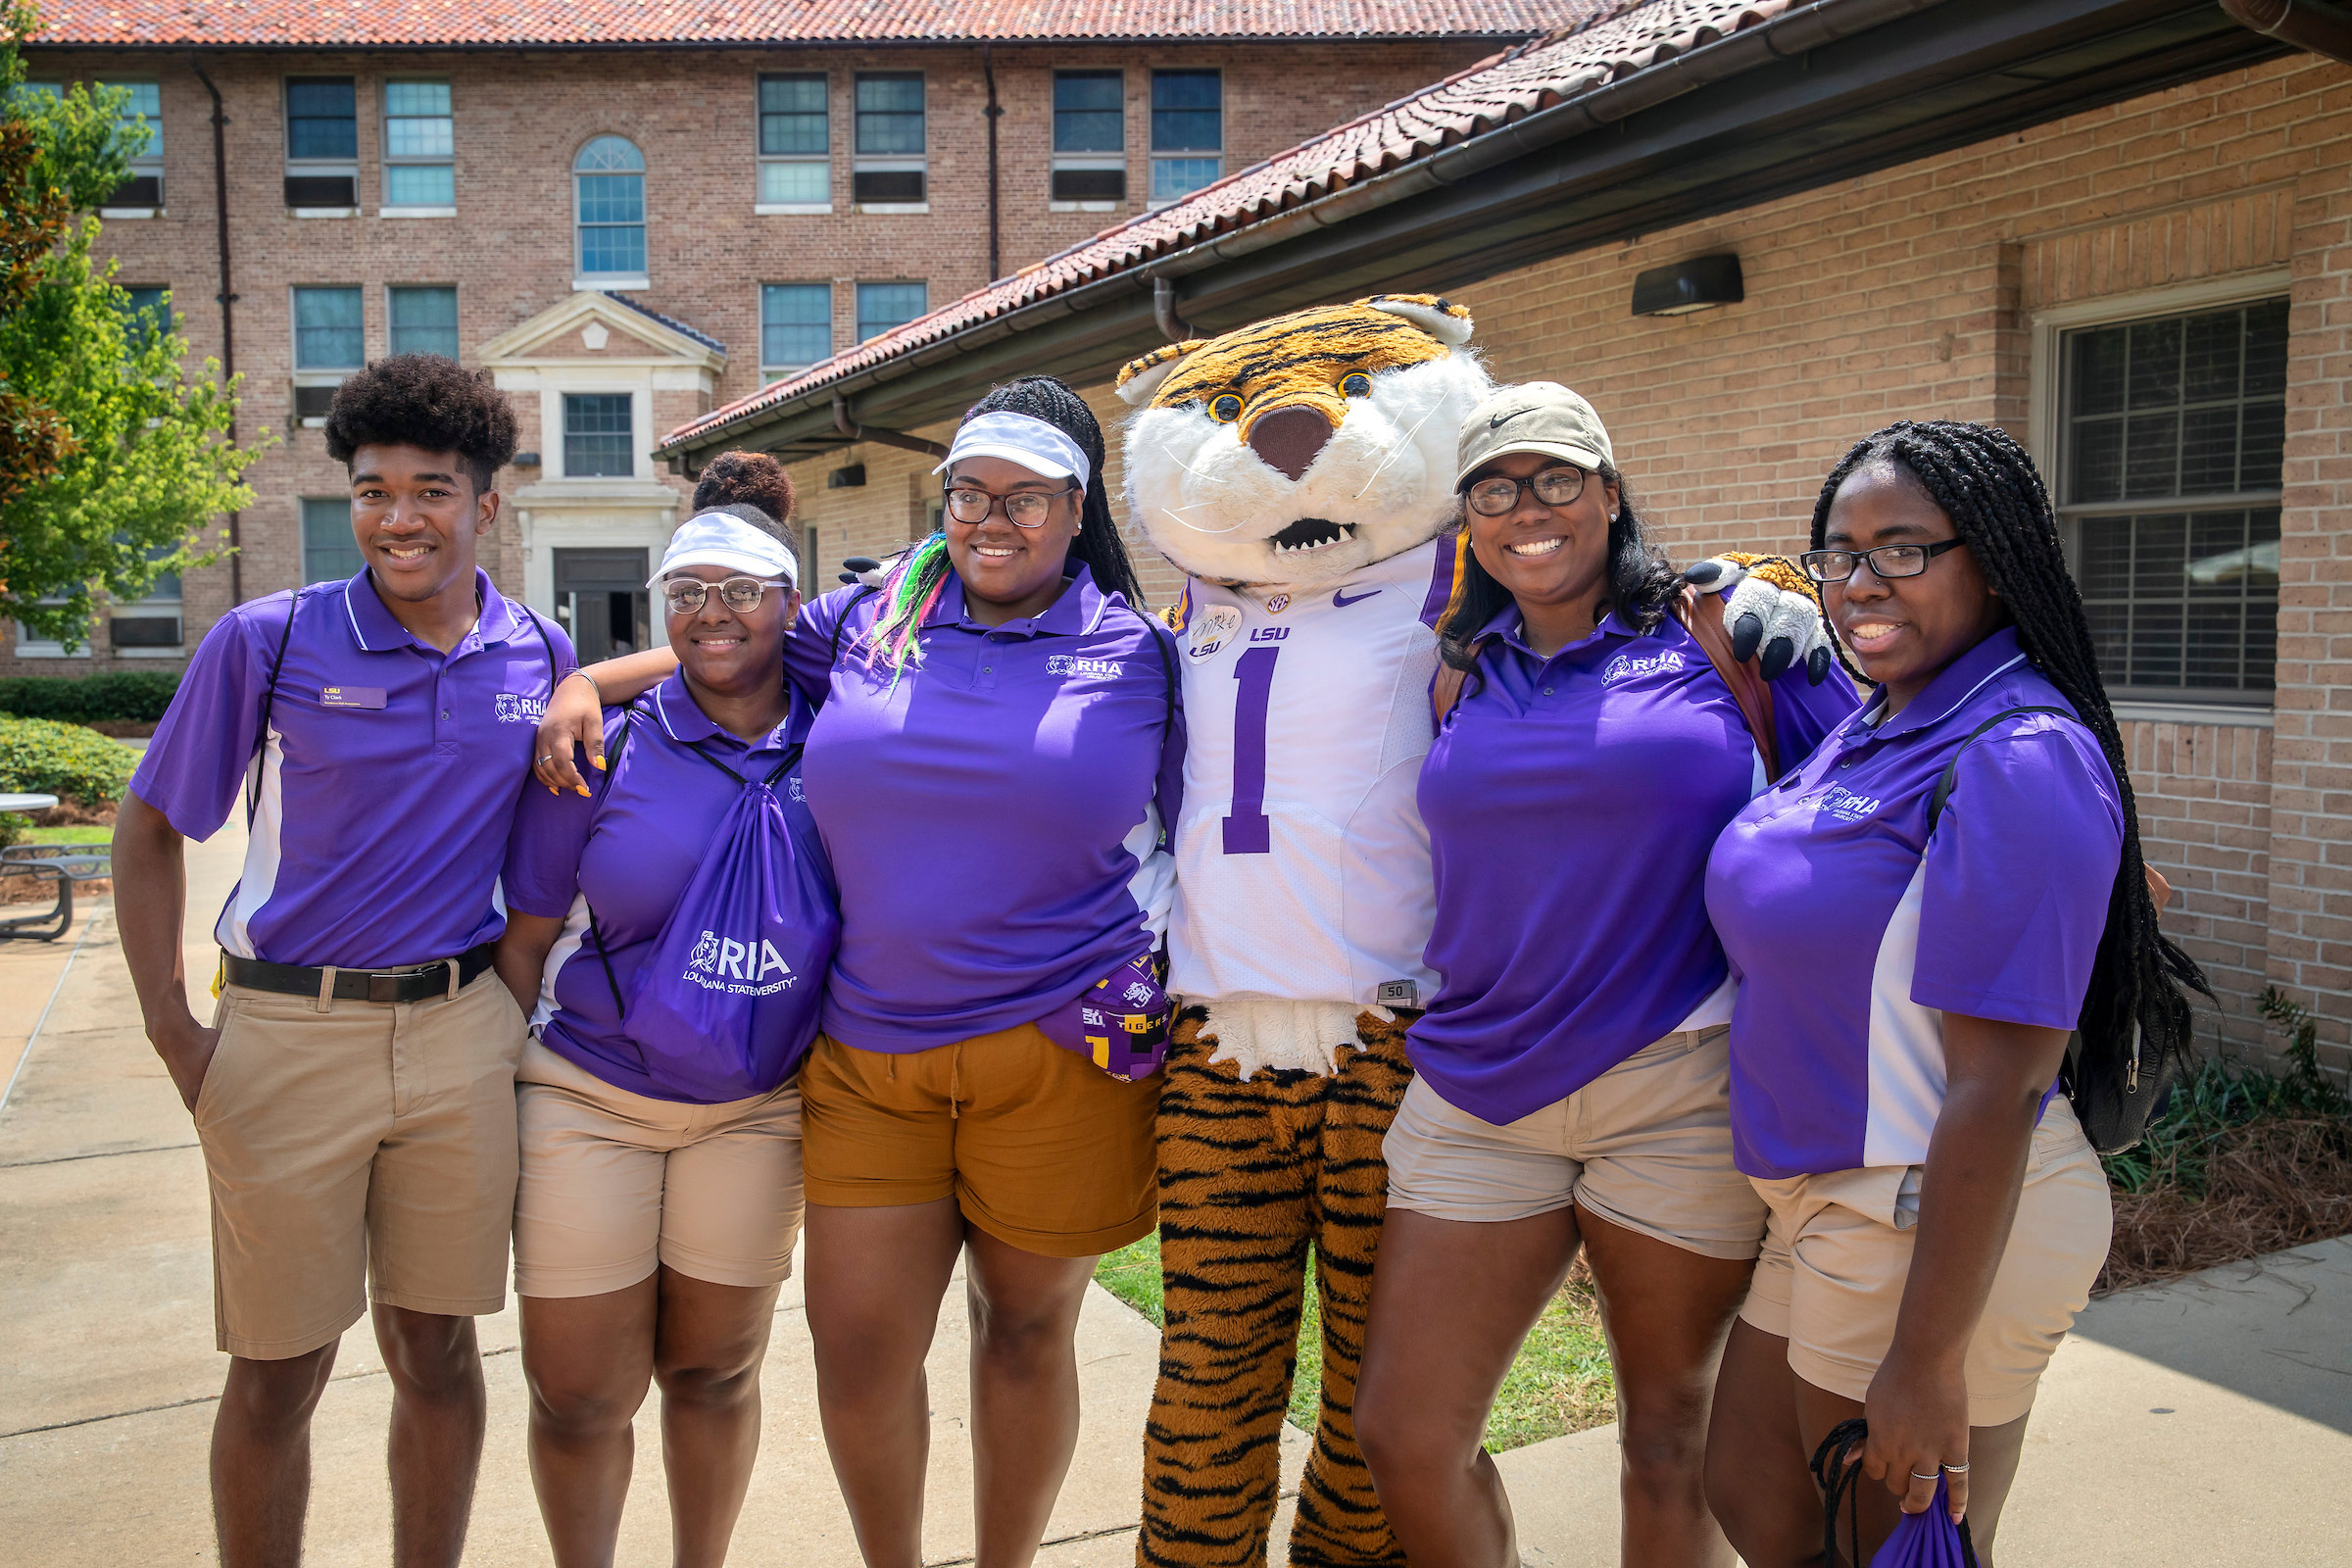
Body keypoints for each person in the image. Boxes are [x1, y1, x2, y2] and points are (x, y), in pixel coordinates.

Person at [533, 376, 1184, 1568]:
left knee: (1030, 1334)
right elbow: (725, 643)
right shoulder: (871, 620)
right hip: (871, 1053)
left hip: (1061, 1053)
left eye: (1026, 497)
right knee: (861, 1352)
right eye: (970, 491)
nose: (993, 518)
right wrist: (585, 681)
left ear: (1076, 504)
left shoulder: (1141, 655)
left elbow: (1206, 842)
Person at [1352, 382, 1856, 1568]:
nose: (1528, 508)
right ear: (1468, 521)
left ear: (1612, 496)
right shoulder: (1459, 670)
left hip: (1679, 1088)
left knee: (1668, 1436)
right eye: (1496, 488)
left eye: (1557, 478)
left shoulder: (1723, 634)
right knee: (1404, 1433)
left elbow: (1881, 779)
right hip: (1478, 1092)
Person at [1700, 419, 2205, 1565]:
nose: (1860, 583)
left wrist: (1928, 1361)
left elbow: (1998, 1083)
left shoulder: (2016, 749)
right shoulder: (1885, 715)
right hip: (1830, 1196)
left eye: (1903, 549)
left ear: (1996, 557)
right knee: (1753, 1489)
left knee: (1891, 1545)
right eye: (1839, 552)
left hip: (1934, 1206)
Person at [111, 355, 565, 1568]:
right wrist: (173, 1027)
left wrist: (504, 1018)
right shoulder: (271, 638)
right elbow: (151, 825)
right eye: (372, 490)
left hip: (459, 1032)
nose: (398, 517)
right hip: (285, 1037)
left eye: (429, 489)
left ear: (487, 504)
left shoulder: (541, 651)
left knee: (439, 1351)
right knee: (277, 1371)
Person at [492, 499, 828, 1566]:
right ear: (661, 611)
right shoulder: (598, 749)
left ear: (790, 606)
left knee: (715, 1372)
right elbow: (523, 939)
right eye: (686, 593)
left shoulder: (847, 735)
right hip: (589, 1099)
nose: (713, 613)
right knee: (581, 1392)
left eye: (741, 591)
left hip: (755, 1110)